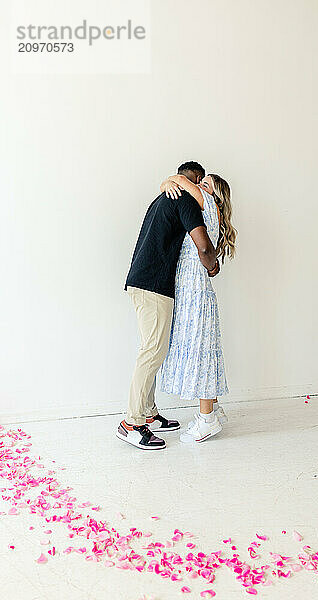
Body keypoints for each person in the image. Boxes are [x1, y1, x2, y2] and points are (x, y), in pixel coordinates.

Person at [117, 162, 220, 451]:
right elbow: (202, 245)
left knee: (152, 348)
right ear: (197, 180)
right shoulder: (186, 200)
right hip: (154, 285)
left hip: (142, 281)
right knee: (152, 351)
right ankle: (132, 424)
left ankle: (149, 414)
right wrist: (212, 267)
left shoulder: (164, 197)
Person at [159, 171, 236, 443]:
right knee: (205, 350)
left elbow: (179, 180)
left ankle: (207, 420)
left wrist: (167, 183)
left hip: (194, 291)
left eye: (205, 185)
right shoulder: (210, 211)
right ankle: (213, 409)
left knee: (200, 353)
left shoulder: (206, 202)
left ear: (213, 194)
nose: (198, 187)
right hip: (196, 290)